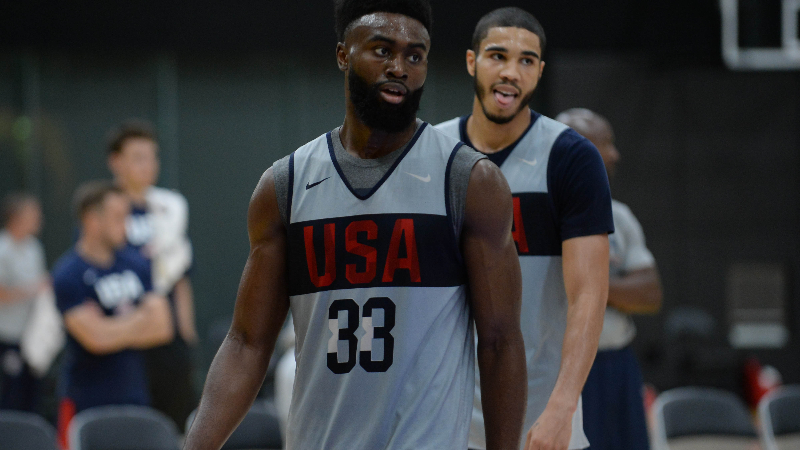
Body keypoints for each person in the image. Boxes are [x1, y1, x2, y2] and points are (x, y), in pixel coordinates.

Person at [183, 0, 527, 449]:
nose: (399, 67)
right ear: (343, 55)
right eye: (382, 50)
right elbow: (247, 342)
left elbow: (500, 342)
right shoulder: (286, 184)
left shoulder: (469, 181)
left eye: (415, 55)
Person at [436, 7, 613, 450]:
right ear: (472, 61)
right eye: (498, 56)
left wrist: (563, 407)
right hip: (442, 418)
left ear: (540, 71)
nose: (511, 73)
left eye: (526, 61)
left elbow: (589, 295)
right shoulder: (430, 153)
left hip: (541, 418)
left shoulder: (571, 157)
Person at [556, 108, 662, 450]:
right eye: (605, 144)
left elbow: (649, 294)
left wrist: (589, 285)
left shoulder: (620, 216)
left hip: (617, 363)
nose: (615, 154)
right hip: (562, 364)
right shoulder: (537, 214)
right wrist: (614, 291)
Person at [52, 181, 173, 448]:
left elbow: (163, 328)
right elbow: (95, 340)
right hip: (84, 400)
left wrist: (109, 326)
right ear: (92, 220)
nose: (126, 226)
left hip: (134, 394)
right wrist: (141, 317)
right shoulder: (68, 274)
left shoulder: (137, 264)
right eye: (118, 217)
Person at [106, 119, 197, 429]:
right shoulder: (103, 212)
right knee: (130, 428)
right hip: (124, 336)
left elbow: (181, 277)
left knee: (176, 425)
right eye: (138, 157)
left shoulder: (169, 209)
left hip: (167, 340)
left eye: (152, 156)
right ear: (116, 162)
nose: (148, 165)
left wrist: (186, 335)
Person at [0, 193, 49, 412]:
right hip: (8, 336)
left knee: (32, 395)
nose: (39, 219)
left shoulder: (33, 247)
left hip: (32, 336)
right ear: (16, 217)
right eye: (33, 215)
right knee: (11, 394)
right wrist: (34, 288)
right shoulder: (3, 249)